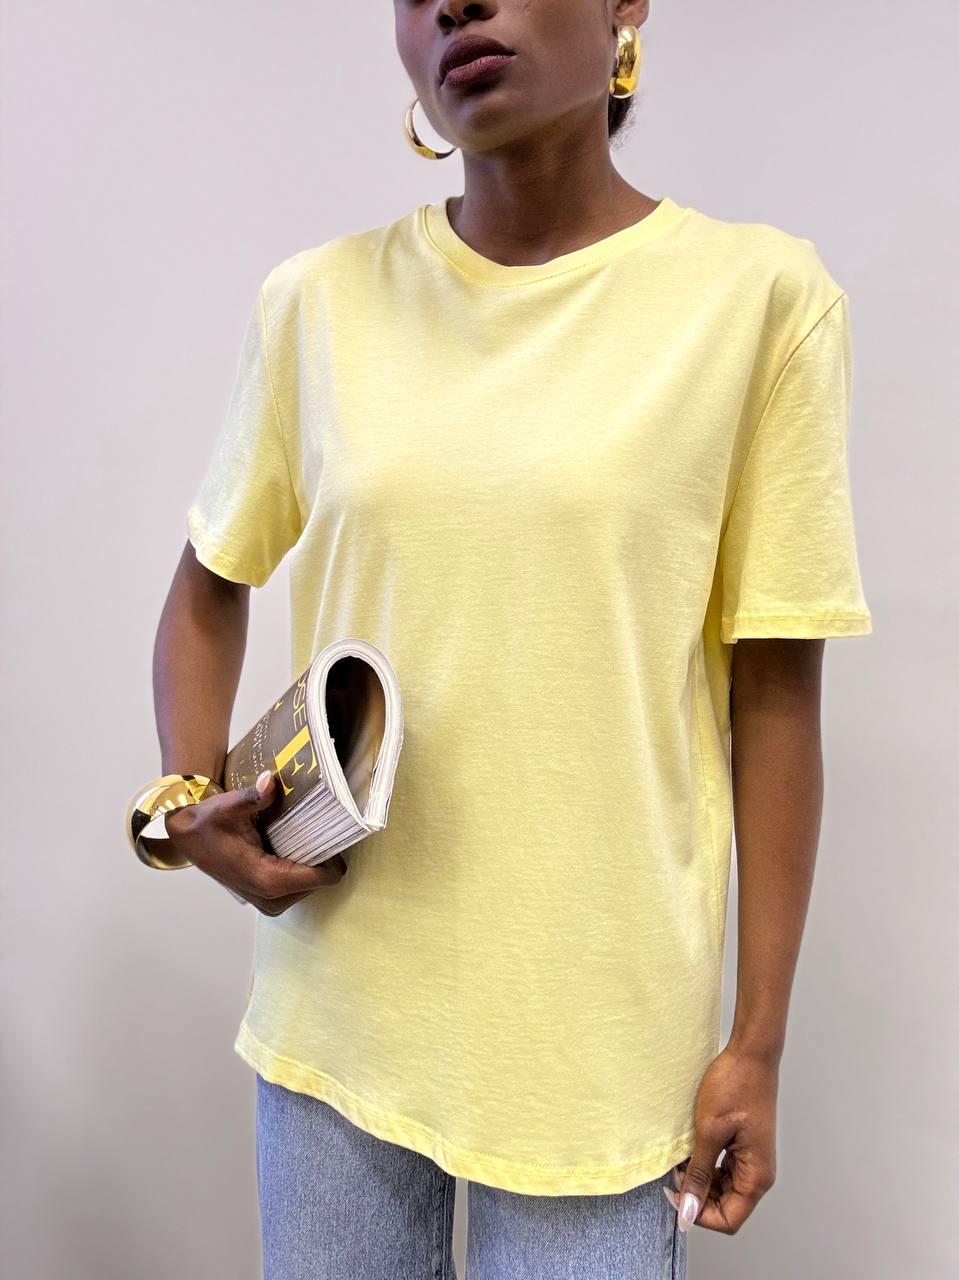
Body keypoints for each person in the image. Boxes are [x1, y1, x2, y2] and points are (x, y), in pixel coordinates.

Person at [148, 2, 873, 1276]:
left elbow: (773, 696)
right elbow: (209, 584)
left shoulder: (758, 301)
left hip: (599, 1039)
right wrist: (185, 797)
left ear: (625, 7)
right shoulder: (318, 301)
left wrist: (755, 1040)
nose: (453, 6)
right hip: (340, 1014)